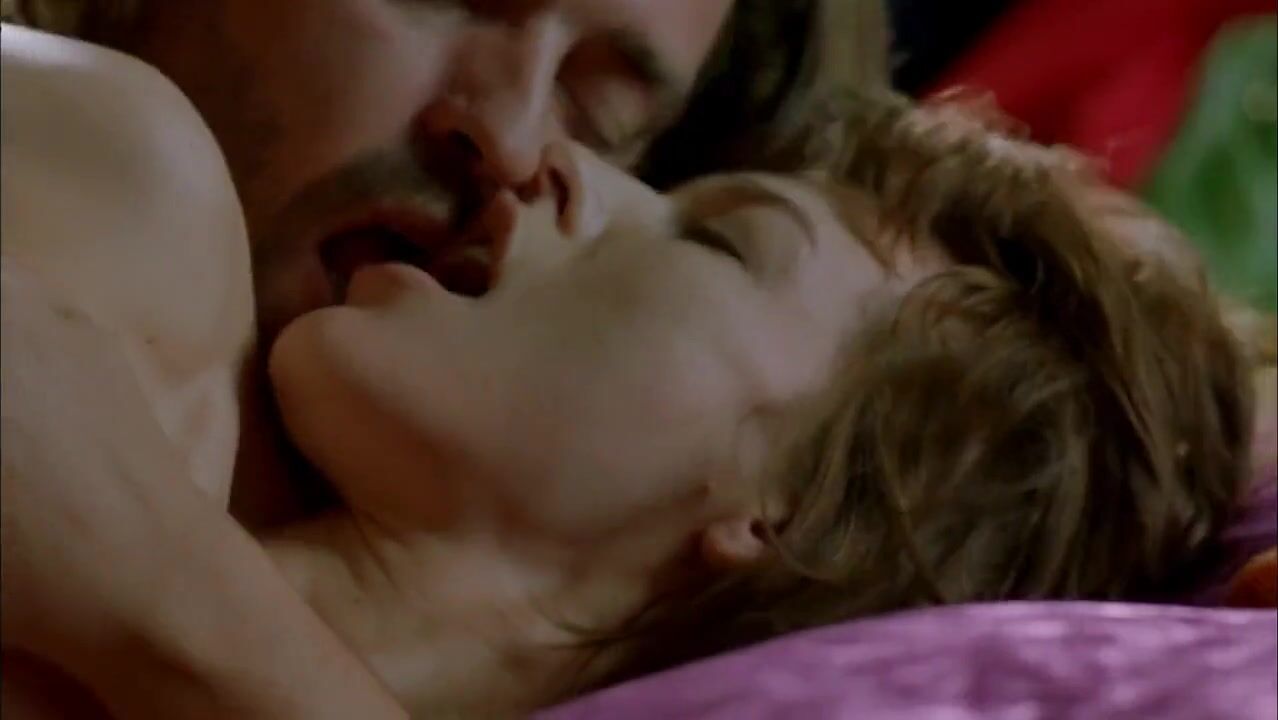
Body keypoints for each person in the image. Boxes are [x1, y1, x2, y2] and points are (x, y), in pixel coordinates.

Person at [3, 23, 1255, 711]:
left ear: (785, 513)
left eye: (716, 240)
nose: (556, 163)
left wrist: (176, 618)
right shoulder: (130, 199)